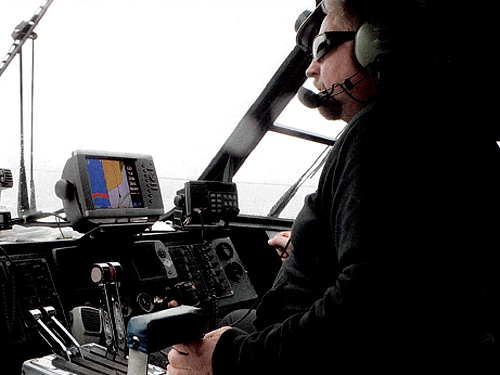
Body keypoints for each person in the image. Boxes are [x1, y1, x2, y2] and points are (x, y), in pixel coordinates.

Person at [168, 0, 500, 373]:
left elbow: (368, 306)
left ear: (375, 43)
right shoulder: (455, 134)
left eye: (321, 48)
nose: (311, 69)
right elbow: (407, 260)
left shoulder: (380, 132)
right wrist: (312, 249)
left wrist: (230, 358)